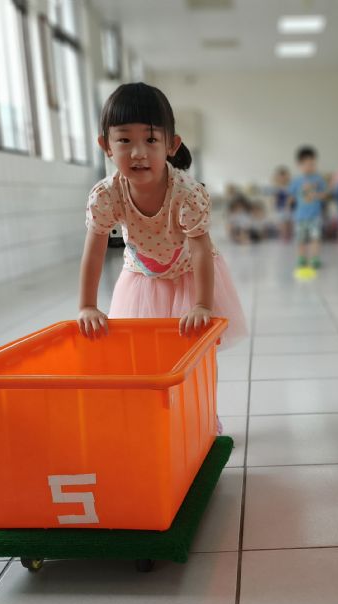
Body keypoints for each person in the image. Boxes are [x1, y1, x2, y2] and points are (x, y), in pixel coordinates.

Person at [77, 82, 248, 428]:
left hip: (191, 273)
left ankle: (203, 417)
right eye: (125, 140)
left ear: (172, 145)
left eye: (151, 140)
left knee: (195, 353)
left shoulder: (187, 192)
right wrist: (87, 305)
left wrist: (202, 304)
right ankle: (157, 418)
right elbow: (94, 251)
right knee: (143, 355)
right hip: (143, 276)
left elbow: (200, 250)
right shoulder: (106, 195)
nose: (138, 152)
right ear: (106, 146)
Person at [289, 146, 328, 269]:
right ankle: (302, 258)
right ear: (299, 165)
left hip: (315, 216)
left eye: (312, 164)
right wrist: (289, 205)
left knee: (315, 238)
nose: (310, 167)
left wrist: (317, 195)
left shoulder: (319, 179)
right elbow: (291, 196)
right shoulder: (296, 181)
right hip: (300, 216)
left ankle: (314, 258)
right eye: (306, 164)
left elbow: (325, 195)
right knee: (300, 239)